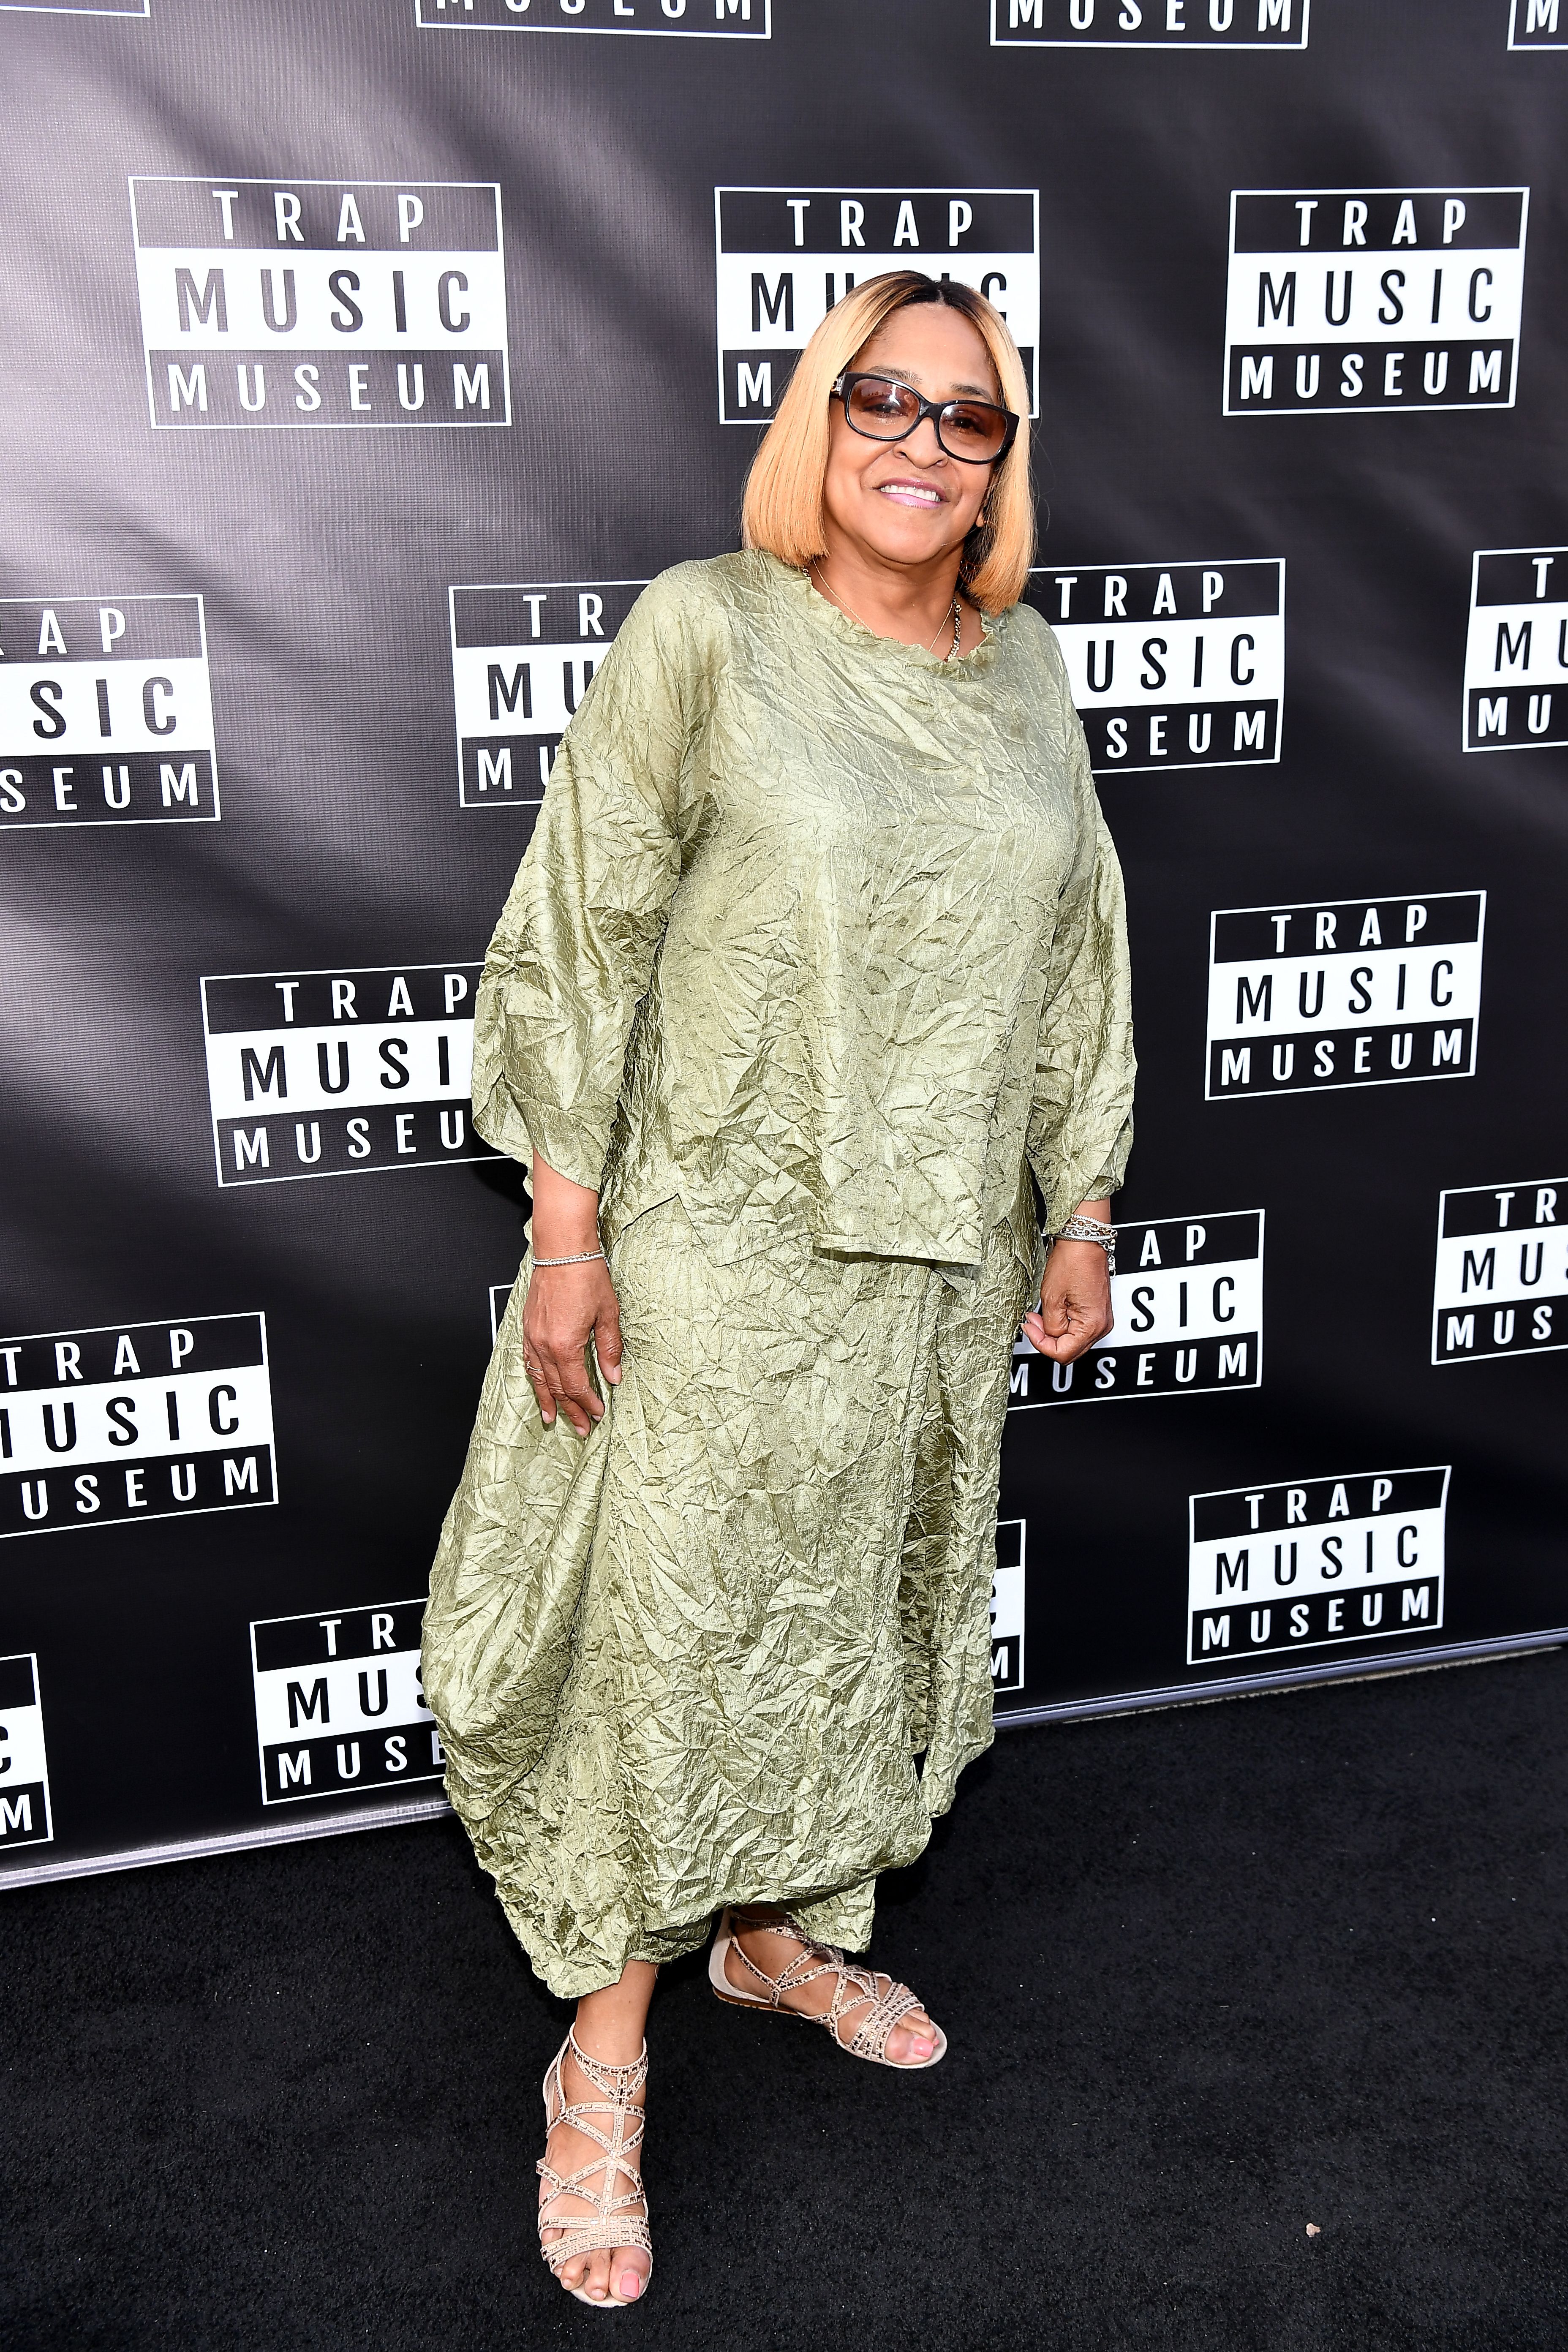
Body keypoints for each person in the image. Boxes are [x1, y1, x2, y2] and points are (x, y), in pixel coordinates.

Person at [422, 268, 1135, 2308]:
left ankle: (773, 1935)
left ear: (1004, 460)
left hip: (933, 1271)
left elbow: (1080, 947)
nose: (922, 441)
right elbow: (583, 929)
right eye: (880, 399)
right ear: (818, 421)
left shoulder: (1029, 676)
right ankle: (605, 2068)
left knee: (855, 1608)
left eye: (967, 415)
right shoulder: (707, 630)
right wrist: (568, 1239)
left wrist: (1075, 1206)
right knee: (676, 1646)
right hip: (716, 1251)